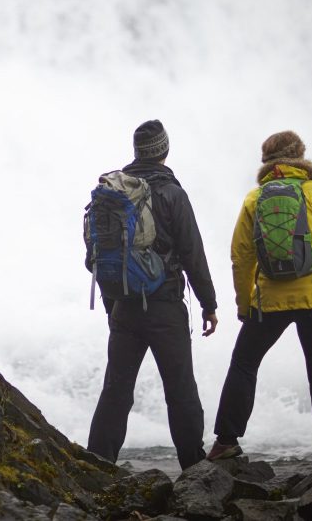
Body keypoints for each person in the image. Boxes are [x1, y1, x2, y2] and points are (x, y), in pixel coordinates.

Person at [208, 130, 312, 472]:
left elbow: (240, 256)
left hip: (268, 299)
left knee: (244, 364)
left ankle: (225, 442)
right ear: (301, 156)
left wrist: (244, 305)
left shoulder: (255, 199)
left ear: (266, 161)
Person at [87, 120, 219, 470]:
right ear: (164, 151)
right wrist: (209, 304)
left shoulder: (114, 192)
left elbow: (96, 256)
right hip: (165, 307)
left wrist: (113, 304)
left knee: (116, 391)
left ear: (136, 151)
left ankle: (97, 465)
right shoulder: (172, 193)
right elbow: (192, 253)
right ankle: (194, 469)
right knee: (180, 391)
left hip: (124, 308)